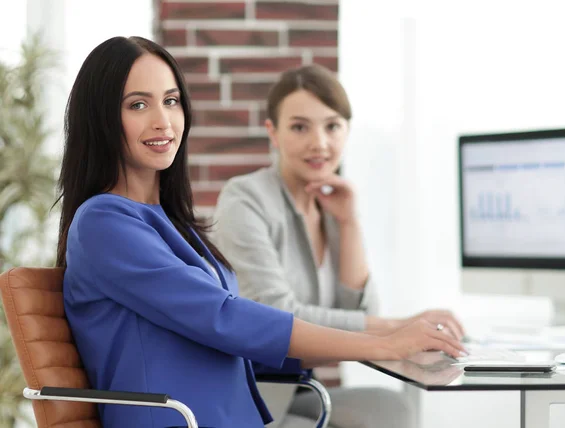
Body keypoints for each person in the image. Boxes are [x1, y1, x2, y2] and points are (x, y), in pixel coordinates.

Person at [56, 36, 466, 428]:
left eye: (171, 101)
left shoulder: (170, 221)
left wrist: (387, 337)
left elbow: (228, 327)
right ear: (102, 118)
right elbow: (224, 317)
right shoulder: (103, 223)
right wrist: (385, 343)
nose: (163, 121)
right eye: (138, 104)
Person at [212, 64, 467, 427]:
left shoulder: (329, 203)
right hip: (252, 400)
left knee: (394, 408)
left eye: (332, 126)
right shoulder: (245, 199)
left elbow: (361, 310)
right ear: (273, 132)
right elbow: (276, 314)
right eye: (300, 127)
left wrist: (348, 222)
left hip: (298, 393)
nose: (320, 143)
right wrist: (398, 326)